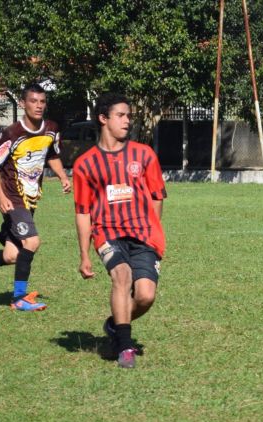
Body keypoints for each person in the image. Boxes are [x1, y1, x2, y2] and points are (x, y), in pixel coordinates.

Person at [73, 92, 167, 368]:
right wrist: (84, 254)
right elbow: (82, 212)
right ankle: (125, 347)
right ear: (103, 119)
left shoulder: (144, 155)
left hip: (144, 234)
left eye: (129, 116)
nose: (127, 121)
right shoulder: (85, 164)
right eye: (121, 116)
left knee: (145, 296)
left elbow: (157, 195)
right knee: (122, 276)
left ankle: (115, 324)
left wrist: (153, 228)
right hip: (107, 233)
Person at [0, 82, 71, 311]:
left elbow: (52, 155)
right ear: (23, 103)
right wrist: (0, 195)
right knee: (32, 242)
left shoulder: (51, 129)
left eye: (42, 101)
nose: (38, 106)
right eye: (33, 101)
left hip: (31, 198)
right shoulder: (12, 133)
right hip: (14, 198)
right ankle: (19, 298)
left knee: (11, 255)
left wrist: (63, 176)